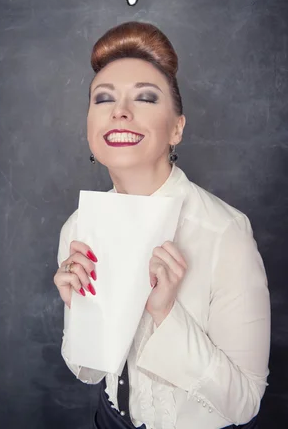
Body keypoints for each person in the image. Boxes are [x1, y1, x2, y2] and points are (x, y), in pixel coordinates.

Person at [54, 21, 271, 429]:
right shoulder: (77, 228)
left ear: (176, 128)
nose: (120, 111)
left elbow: (245, 404)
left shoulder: (225, 233)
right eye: (104, 99)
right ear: (89, 129)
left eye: (146, 98)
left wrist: (166, 313)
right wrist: (82, 312)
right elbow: (88, 373)